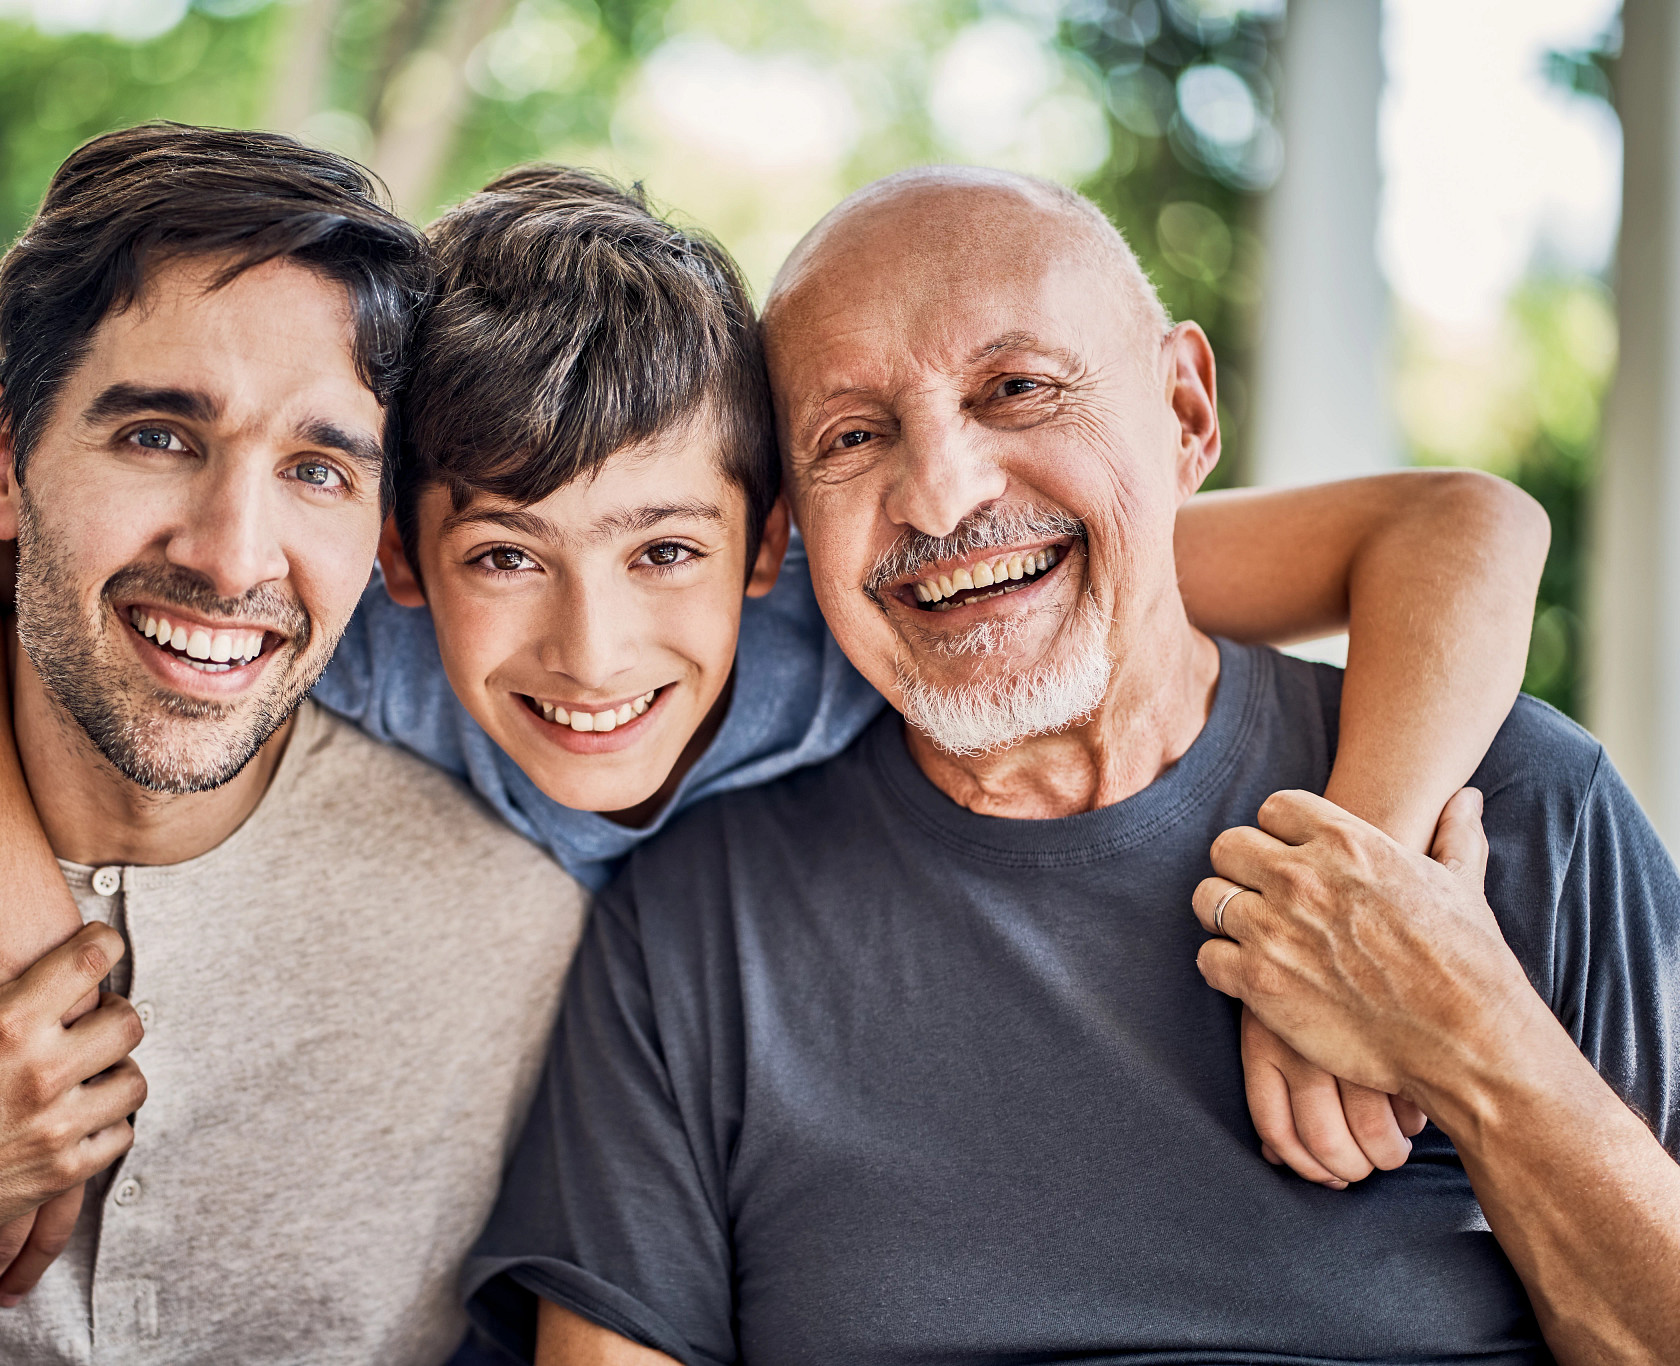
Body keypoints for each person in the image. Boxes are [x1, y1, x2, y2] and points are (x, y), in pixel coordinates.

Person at [0, 165, 1548, 1316]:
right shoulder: (353, 639)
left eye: (665, 553)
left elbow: (1459, 526)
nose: (588, 648)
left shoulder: (869, 615)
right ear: (403, 556)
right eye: (500, 558)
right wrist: (37, 981)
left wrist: (1357, 894)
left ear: (764, 543)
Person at [461, 168, 1680, 1365]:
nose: (939, 495)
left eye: (1018, 389)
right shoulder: (693, 915)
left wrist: (1471, 1039)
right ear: (785, 525)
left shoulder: (1509, 800)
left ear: (1186, 414)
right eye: (851, 434)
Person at [0, 124, 587, 1365]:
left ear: (384, 535)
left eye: (318, 468)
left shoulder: (510, 931)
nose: (230, 555)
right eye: (157, 436)